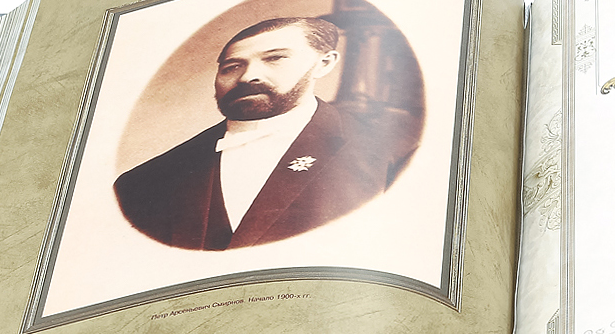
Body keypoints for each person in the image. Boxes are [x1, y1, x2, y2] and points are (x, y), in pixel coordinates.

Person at [114, 17, 404, 249]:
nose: (248, 76)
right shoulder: (143, 182)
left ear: (324, 63)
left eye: (275, 58)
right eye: (232, 66)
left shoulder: (388, 153)